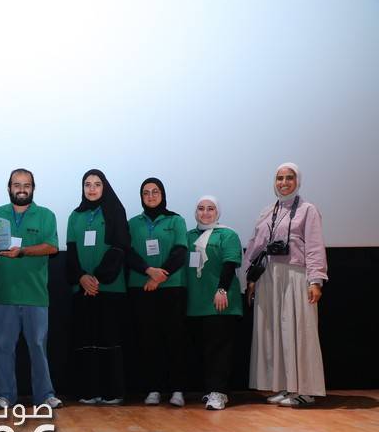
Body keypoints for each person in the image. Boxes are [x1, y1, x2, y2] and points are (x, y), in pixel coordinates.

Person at [244, 163, 327, 406]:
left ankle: (305, 390)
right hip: (269, 276)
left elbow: (315, 247)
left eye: (289, 178)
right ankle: (285, 386)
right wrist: (250, 278)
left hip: (296, 275)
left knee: (300, 330)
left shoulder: (308, 210)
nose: (284, 182)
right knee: (275, 332)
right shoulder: (268, 211)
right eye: (279, 178)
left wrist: (315, 280)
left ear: (297, 181)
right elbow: (255, 245)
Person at [0, 168, 62, 409]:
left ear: (33, 188)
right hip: (5, 294)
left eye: (26, 185)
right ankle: (4, 396)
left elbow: (52, 247)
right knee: (2, 348)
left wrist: (23, 251)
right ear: (9, 188)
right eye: (16, 184)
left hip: (35, 294)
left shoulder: (46, 215)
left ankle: (45, 395)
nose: (21, 189)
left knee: (38, 347)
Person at [65, 169, 130, 405]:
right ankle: (88, 390)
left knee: (108, 340)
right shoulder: (75, 216)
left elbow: (120, 248)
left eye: (97, 184)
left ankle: (112, 392)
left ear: (105, 187)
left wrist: (97, 279)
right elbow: (71, 252)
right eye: (87, 184)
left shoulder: (115, 211)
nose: (91, 189)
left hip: (110, 287)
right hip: (82, 288)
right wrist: (81, 277)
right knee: (86, 341)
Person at [127, 177, 188, 407]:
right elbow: (128, 253)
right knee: (147, 340)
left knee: (174, 339)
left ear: (162, 194)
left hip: (171, 288)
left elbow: (180, 252)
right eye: (146, 192)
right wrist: (149, 271)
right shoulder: (133, 223)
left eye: (155, 192)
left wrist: (159, 277)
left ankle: (177, 390)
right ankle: (153, 388)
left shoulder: (176, 220)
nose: (150, 196)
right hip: (141, 287)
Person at [185, 196, 243, 410]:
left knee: (220, 350)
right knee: (203, 350)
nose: (205, 213)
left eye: (210, 209)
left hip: (220, 302)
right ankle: (212, 390)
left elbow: (230, 264)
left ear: (218, 212)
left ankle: (219, 392)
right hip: (196, 303)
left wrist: (221, 290)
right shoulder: (189, 236)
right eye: (201, 208)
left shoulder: (227, 234)